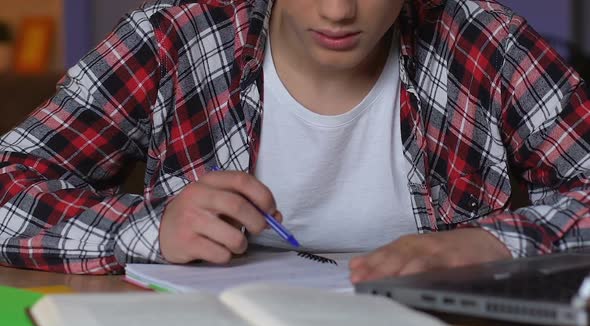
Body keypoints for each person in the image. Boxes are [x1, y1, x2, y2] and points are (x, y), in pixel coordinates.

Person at [0, 0, 588, 282]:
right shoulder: (173, 38)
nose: (337, 12)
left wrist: (494, 244)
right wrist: (149, 229)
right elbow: (9, 186)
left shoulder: (488, 44)